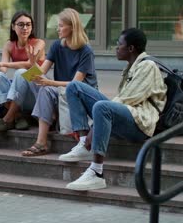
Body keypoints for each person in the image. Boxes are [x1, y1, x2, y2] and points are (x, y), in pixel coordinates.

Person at [59, 27, 167, 190]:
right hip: (129, 115)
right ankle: (84, 144)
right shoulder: (131, 67)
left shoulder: (148, 66)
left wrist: (94, 128)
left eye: (119, 44)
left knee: (102, 107)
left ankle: (97, 172)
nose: (116, 47)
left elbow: (128, 98)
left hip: (141, 125)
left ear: (131, 48)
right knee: (74, 87)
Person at [19, 7, 98, 156]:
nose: (58, 29)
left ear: (73, 27)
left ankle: (46, 136)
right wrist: (32, 62)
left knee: (47, 87)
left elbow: (76, 84)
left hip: (82, 94)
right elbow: (40, 73)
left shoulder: (86, 51)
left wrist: (49, 83)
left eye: (61, 25)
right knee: (32, 79)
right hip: (61, 90)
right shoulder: (57, 45)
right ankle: (44, 135)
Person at [0, 11, 45, 131]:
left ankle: (7, 119)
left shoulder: (39, 43)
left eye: (28, 24)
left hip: (37, 92)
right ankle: (18, 115)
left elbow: (28, 64)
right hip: (19, 96)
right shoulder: (9, 45)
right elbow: (3, 69)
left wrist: (2, 63)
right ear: (13, 26)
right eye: (21, 24)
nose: (25, 28)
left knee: (21, 72)